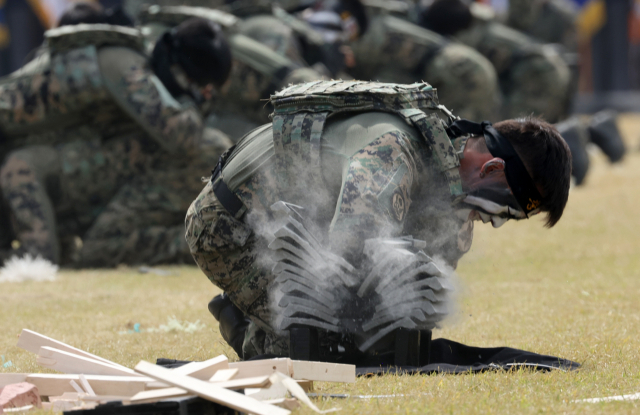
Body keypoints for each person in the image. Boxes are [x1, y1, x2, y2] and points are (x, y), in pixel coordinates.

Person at [185, 80, 572, 360]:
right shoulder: (394, 151)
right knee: (323, 344)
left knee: (370, 338)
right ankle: (240, 326)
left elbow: (416, 291)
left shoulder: (452, 185)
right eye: (507, 208)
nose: (499, 222)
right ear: (491, 168)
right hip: (229, 224)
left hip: (295, 222)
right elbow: (349, 252)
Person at [0, 16, 233, 265]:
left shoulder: (136, 59)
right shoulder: (122, 64)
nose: (202, 94)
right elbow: (181, 135)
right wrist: (193, 100)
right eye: (199, 86)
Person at [420, 0, 571, 123]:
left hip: (539, 74)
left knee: (513, 134)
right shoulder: (474, 21)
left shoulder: (466, 33)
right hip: (542, 70)